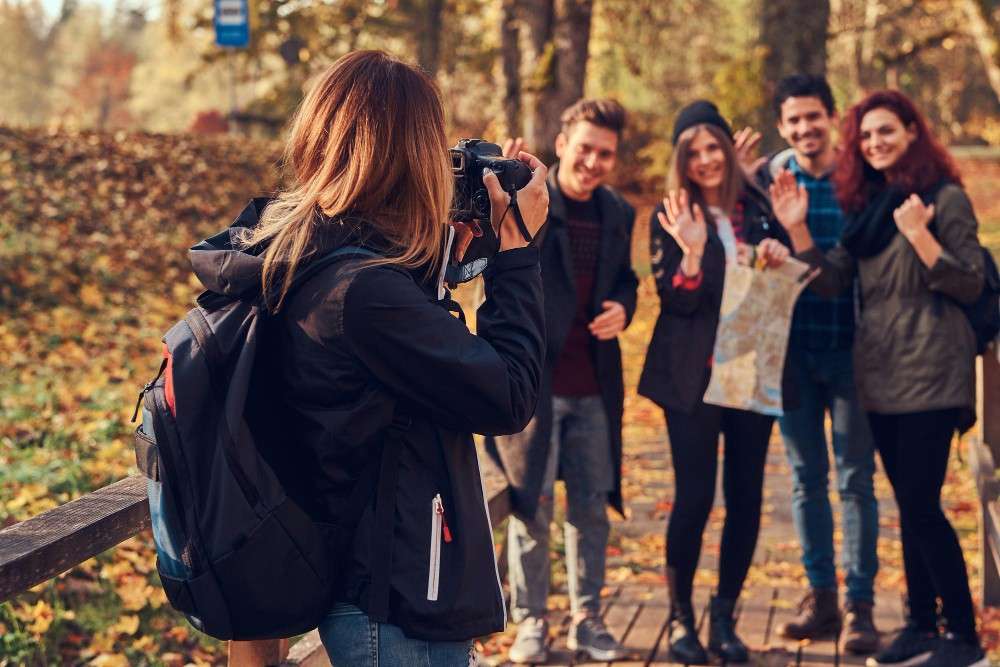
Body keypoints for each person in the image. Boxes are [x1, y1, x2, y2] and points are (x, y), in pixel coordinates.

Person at [231, 50, 550, 667]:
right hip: (395, 604)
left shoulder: (310, 252)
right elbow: (510, 394)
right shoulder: (364, 293)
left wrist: (447, 255)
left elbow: (388, 372)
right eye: (433, 146)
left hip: (371, 588)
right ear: (406, 154)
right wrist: (516, 252)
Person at [771, 89, 987, 667]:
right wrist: (796, 233)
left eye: (886, 131)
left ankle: (962, 636)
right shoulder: (867, 208)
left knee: (922, 506)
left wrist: (920, 235)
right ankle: (919, 624)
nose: (875, 143)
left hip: (931, 372)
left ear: (913, 131)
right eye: (865, 136)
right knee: (909, 503)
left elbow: (971, 283)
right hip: (882, 375)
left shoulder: (944, 199)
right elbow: (834, 278)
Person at [637, 100, 792, 665]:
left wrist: (777, 250)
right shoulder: (671, 214)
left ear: (728, 149)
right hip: (693, 380)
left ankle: (725, 616)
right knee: (696, 498)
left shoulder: (756, 206)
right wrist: (694, 251)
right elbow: (675, 300)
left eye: (712, 147)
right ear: (682, 160)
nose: (705, 159)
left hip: (751, 368)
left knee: (747, 496)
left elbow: (783, 270)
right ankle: (681, 620)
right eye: (693, 151)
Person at [487, 99, 638, 664]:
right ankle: (532, 622)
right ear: (562, 144)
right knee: (532, 505)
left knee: (591, 509)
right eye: (585, 149)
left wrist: (624, 306)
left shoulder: (618, 212)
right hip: (536, 387)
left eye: (606, 154)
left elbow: (626, 280)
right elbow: (493, 264)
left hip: (596, 386)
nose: (594, 162)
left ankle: (588, 619)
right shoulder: (532, 203)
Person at [753, 75, 880, 653]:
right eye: (794, 120)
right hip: (792, 355)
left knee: (855, 481)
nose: (805, 128)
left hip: (852, 351)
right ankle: (821, 596)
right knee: (806, 482)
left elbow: (840, 276)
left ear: (832, 117)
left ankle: (860, 606)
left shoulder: (860, 179)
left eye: (813, 117)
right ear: (783, 126)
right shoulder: (767, 181)